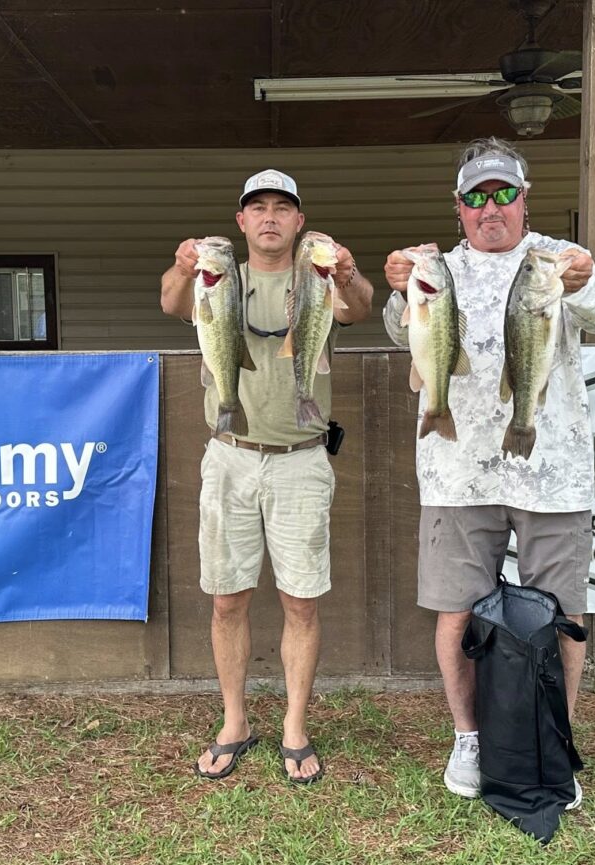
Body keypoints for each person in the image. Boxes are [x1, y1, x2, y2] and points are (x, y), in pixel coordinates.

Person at [382, 137, 595, 802]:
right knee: (456, 611)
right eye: (478, 196)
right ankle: (470, 738)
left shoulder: (558, 260)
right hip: (457, 472)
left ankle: (554, 742)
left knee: (561, 614)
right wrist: (402, 286)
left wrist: (587, 280)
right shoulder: (439, 266)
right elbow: (403, 329)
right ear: (458, 207)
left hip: (555, 469)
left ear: (524, 199)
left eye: (505, 192)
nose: (493, 206)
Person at [160, 169, 373, 783]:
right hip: (229, 453)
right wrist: (182, 266)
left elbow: (359, 309)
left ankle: (294, 727)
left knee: (300, 602)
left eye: (284, 207)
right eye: (259, 208)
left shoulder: (318, 274)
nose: (271, 217)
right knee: (227, 598)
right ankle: (235, 720)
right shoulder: (219, 277)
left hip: (302, 460)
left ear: (300, 222)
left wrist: (348, 274)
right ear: (241, 222)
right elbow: (174, 301)